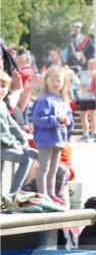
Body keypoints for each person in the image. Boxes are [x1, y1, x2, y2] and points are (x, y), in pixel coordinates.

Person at [30, 68, 73, 200]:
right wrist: (56, 120)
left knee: (54, 169)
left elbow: (70, 120)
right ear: (46, 81)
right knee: (44, 168)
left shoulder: (63, 101)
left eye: (58, 80)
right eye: (52, 79)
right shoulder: (43, 100)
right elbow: (38, 119)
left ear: (63, 82)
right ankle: (43, 196)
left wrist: (68, 122)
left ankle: (52, 194)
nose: (55, 83)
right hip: (45, 139)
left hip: (59, 139)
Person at [1, 71, 37, 196]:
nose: (1, 90)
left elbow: (13, 125)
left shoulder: (2, 105)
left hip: (5, 146)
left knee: (31, 153)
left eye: (4, 87)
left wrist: (23, 141)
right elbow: (3, 134)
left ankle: (10, 197)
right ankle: (13, 194)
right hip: (3, 145)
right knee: (26, 158)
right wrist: (17, 144)